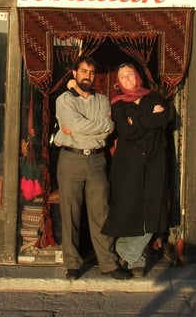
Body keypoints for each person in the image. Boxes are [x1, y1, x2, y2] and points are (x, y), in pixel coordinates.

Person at [52, 56, 130, 280]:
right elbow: (77, 124)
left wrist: (85, 128)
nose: (88, 76)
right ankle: (73, 263)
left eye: (92, 72)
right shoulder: (64, 100)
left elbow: (108, 127)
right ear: (74, 74)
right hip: (71, 160)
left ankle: (108, 264)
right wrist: (93, 126)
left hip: (96, 161)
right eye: (84, 71)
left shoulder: (103, 100)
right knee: (70, 213)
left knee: (101, 213)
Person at [102, 62, 169, 278]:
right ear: (118, 82)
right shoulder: (118, 104)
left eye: (130, 74)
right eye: (123, 76)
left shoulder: (154, 97)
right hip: (128, 164)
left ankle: (127, 253)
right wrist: (149, 118)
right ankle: (136, 259)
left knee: (152, 211)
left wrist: (136, 121)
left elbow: (165, 118)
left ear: (137, 76)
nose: (128, 79)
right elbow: (126, 131)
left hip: (154, 162)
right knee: (130, 210)